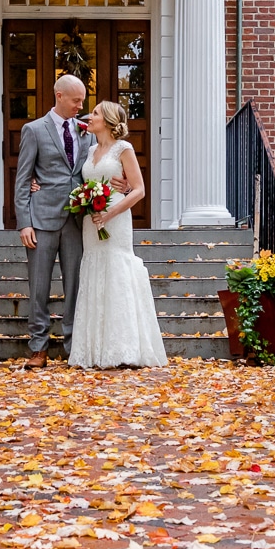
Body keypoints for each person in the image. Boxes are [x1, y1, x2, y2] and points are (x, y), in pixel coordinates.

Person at [68, 99, 168, 369]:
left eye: (96, 113)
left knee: (116, 271)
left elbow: (138, 190)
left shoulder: (124, 148)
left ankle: (123, 348)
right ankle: (94, 350)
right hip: (92, 220)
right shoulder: (89, 151)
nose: (90, 116)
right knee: (94, 270)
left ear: (109, 121)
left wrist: (110, 213)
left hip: (115, 217)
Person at [16, 74, 88, 365]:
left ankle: (73, 347)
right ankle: (39, 347)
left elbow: (92, 169)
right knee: (39, 287)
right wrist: (24, 222)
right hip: (41, 219)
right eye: (76, 100)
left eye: (82, 100)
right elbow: (23, 180)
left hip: (76, 220)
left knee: (75, 286)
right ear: (59, 96)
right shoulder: (33, 130)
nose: (80, 106)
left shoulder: (87, 131)